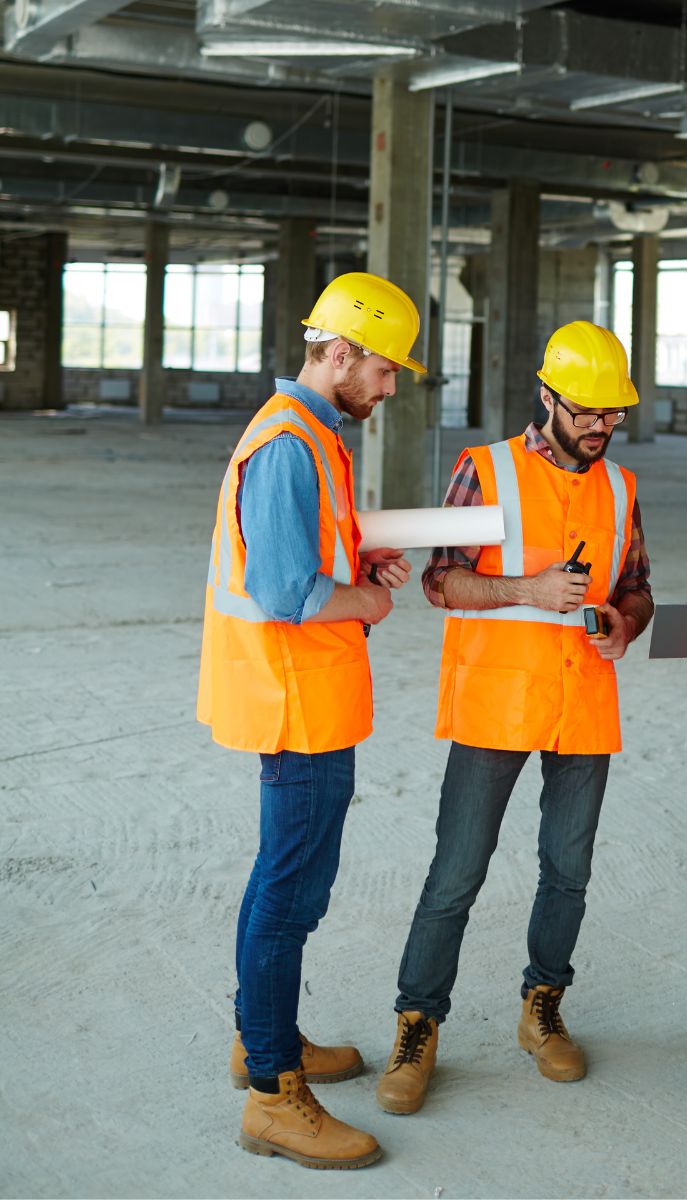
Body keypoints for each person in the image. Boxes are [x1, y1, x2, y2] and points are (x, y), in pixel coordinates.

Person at [375, 320, 654, 1116]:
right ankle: (417, 1024)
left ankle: (543, 1007)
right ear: (547, 397)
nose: (601, 425)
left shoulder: (621, 487)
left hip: (583, 702)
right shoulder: (486, 469)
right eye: (587, 410)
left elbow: (637, 585)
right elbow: (440, 581)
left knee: (569, 872)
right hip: (496, 701)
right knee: (456, 874)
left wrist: (625, 624)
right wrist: (527, 590)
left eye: (612, 412)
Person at [197, 271, 426, 1170]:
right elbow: (287, 591)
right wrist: (367, 599)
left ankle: (262, 1038)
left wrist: (358, 564)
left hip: (311, 695)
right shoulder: (291, 443)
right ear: (338, 353)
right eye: (384, 368)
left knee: (284, 886)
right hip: (295, 703)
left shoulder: (314, 434)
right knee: (288, 896)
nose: (391, 386)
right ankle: (271, 1095)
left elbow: (306, 557)